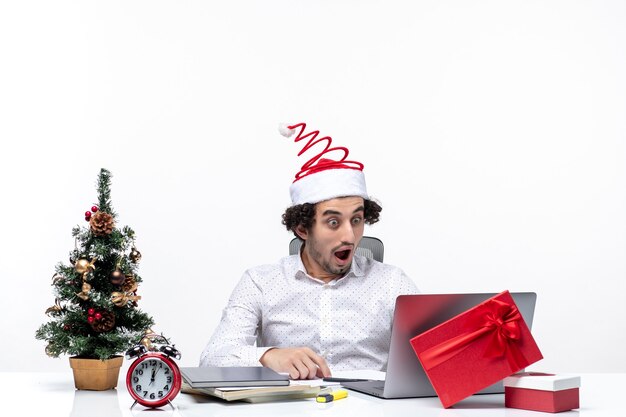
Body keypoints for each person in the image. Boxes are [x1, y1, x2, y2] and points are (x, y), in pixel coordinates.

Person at [199, 122, 419, 379]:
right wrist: (269, 356)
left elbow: (437, 352)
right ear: (303, 228)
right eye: (333, 222)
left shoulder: (392, 283)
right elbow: (213, 357)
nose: (349, 235)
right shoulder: (260, 282)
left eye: (356, 220)